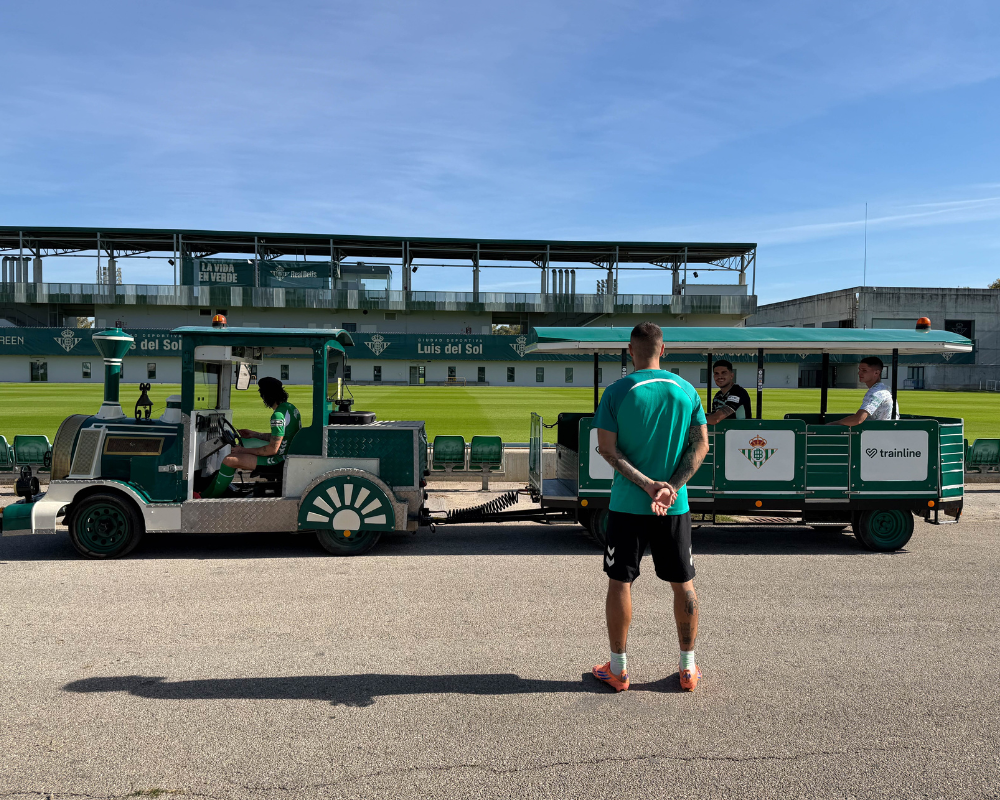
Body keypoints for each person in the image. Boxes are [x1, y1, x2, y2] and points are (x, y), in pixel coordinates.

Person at [591, 322, 710, 692]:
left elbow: (608, 451)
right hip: (674, 507)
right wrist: (670, 487)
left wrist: (646, 485)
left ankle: (618, 669)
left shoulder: (616, 392)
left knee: (620, 583)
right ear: (665, 350)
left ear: (630, 352)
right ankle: (688, 668)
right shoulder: (687, 391)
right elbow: (700, 446)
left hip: (628, 505)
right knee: (683, 584)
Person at [203, 377, 301, 497]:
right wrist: (254, 434)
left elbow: (272, 449)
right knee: (233, 458)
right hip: (287, 457)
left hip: (278, 461)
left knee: (229, 460)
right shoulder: (291, 408)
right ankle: (207, 494)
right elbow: (281, 437)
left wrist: (242, 450)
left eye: (262, 394)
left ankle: (209, 498)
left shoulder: (278, 415)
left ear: (267, 395)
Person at [829, 356, 898, 426]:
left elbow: (858, 419)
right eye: (859, 370)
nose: (859, 373)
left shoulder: (876, 392)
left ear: (876, 373)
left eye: (864, 370)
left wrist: (832, 424)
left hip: (878, 433)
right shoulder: (883, 388)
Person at [705, 359, 753, 424]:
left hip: (740, 432)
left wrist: (690, 420)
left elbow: (716, 418)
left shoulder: (738, 392)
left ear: (731, 376)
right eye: (716, 373)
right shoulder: (718, 395)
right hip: (726, 432)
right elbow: (713, 416)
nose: (720, 377)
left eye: (724, 373)